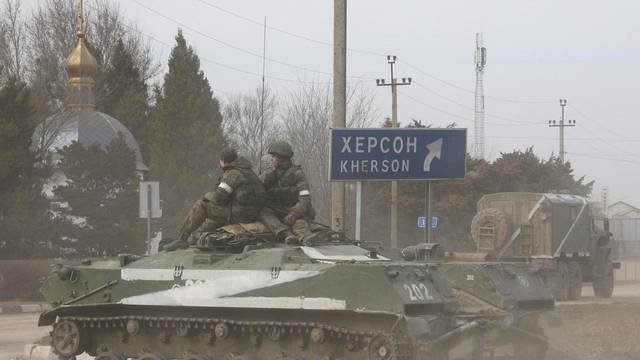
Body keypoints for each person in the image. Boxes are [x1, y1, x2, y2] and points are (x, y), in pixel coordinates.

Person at [163, 148, 266, 251]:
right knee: (208, 225)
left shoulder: (233, 173)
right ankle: (194, 239)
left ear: (223, 161)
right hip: (252, 213)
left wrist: (207, 195)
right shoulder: (248, 172)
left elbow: (218, 199)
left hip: (240, 213)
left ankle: (182, 239)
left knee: (201, 206)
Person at [258, 141, 316, 244]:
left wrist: (294, 213)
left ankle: (305, 237)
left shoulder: (297, 174)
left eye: (274, 156)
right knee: (263, 212)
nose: (271, 159)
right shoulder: (269, 174)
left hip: (293, 210)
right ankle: (286, 234)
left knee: (300, 223)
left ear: (280, 158)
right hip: (276, 211)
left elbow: (305, 198)